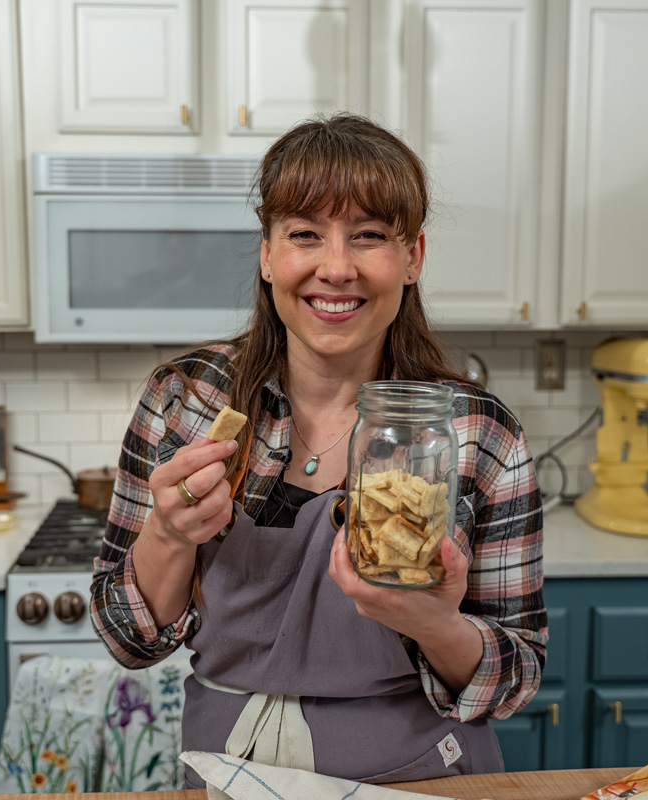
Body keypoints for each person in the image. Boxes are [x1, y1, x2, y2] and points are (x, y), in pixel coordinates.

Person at [90, 113, 546, 786]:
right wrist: (167, 532)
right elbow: (128, 639)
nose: (337, 268)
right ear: (269, 254)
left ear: (413, 257)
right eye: (305, 234)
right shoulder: (186, 399)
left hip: (421, 774)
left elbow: (517, 678)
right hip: (227, 772)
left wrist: (433, 623)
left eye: (369, 237)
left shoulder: (478, 432)